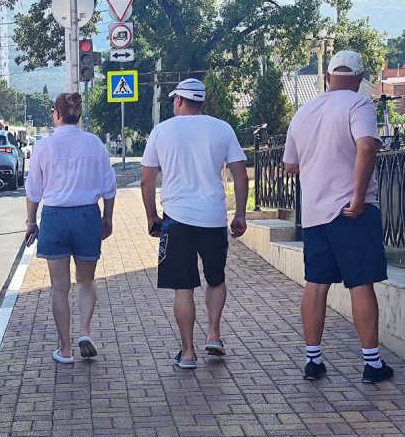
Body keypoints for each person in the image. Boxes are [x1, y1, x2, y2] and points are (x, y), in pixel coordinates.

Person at [283, 50, 393, 383]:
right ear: (360, 79)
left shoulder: (303, 112)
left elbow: (290, 165)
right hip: (351, 211)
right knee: (360, 283)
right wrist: (358, 197)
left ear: (328, 76)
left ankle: (313, 360)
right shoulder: (359, 104)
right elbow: (366, 147)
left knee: (316, 284)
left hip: (315, 213)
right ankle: (372, 364)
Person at [140, 78, 249, 369]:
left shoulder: (161, 131)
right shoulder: (222, 129)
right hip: (213, 218)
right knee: (216, 278)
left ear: (178, 101)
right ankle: (214, 334)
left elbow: (147, 179)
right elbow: (240, 174)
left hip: (177, 219)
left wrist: (152, 215)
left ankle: (187, 353)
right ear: (201, 102)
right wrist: (240, 214)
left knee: (183, 288)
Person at [25, 92, 117, 364]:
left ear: (56, 114)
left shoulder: (44, 146)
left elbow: (33, 191)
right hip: (88, 216)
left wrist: (31, 223)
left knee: (59, 287)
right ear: (77, 114)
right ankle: (85, 332)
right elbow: (109, 186)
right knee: (86, 281)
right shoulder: (94, 143)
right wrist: (107, 218)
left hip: (55, 218)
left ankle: (65, 349)